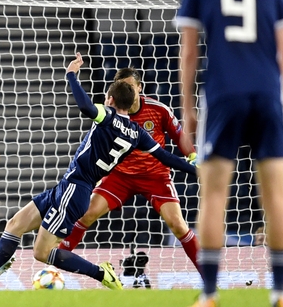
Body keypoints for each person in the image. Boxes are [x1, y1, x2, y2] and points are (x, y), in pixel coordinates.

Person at [0, 53, 198, 290]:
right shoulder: (137, 133)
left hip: (75, 189)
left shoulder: (107, 117)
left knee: (41, 252)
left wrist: (71, 75)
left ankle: (101, 274)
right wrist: (195, 170)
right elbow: (166, 157)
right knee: (14, 224)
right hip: (68, 187)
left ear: (110, 99)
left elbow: (85, 105)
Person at [177, 0, 283, 307]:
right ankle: (280, 293)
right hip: (266, 94)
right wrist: (277, 98)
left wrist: (188, 109)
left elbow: (190, 53)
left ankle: (210, 294)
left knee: (213, 196)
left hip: (224, 94)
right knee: (275, 196)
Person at [59, 67, 200, 273]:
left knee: (178, 225)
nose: (128, 91)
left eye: (131, 87)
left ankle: (210, 279)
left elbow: (179, 136)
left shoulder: (158, 110)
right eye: (123, 87)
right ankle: (56, 264)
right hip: (120, 176)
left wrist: (193, 157)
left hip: (155, 176)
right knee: (86, 214)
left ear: (140, 87)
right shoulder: (111, 114)